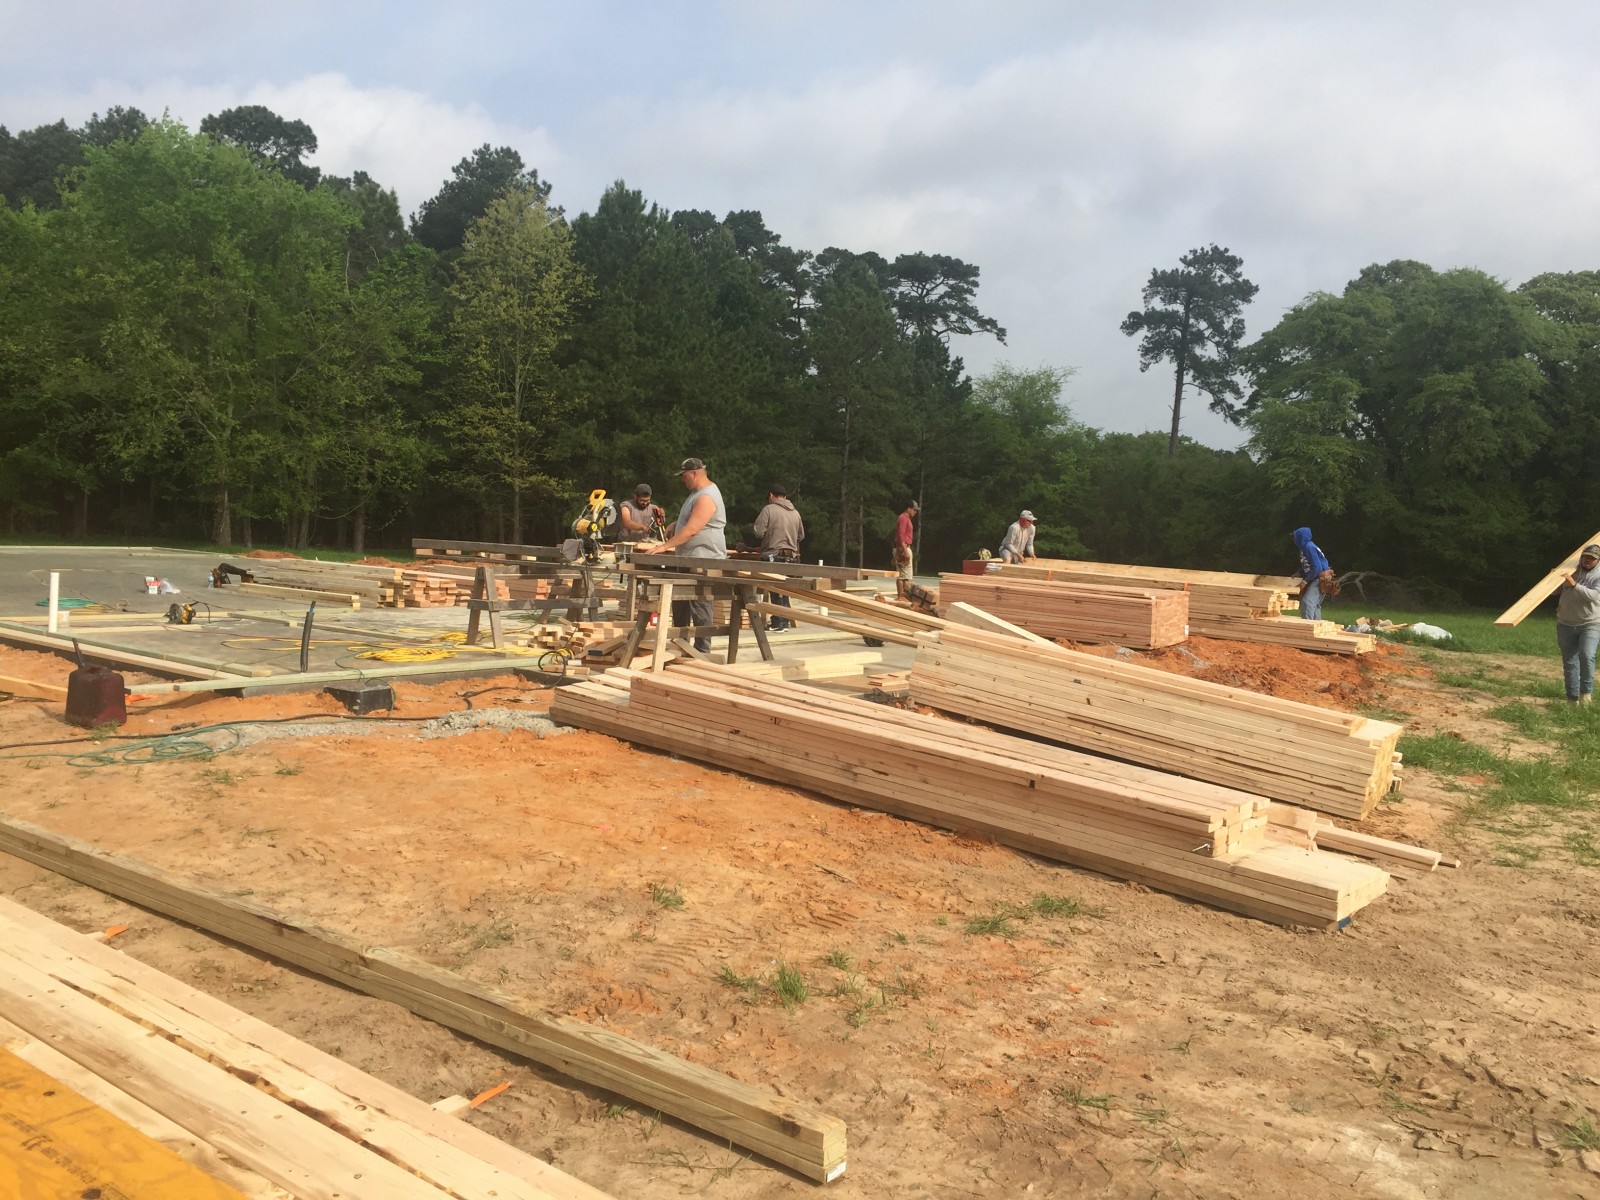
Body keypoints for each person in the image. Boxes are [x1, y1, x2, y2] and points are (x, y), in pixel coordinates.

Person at [637, 457, 727, 654]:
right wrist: (676, 524)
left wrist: (664, 547)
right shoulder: (697, 494)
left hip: (703, 559)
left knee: (700, 603)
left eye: (684, 476)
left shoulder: (706, 496)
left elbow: (693, 529)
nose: (682, 480)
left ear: (694, 474)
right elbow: (692, 520)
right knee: (681, 602)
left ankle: (702, 651)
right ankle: (681, 645)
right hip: (690, 558)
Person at [752, 484, 805, 630]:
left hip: (773, 555)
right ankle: (784, 620)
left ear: (771, 495)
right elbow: (801, 536)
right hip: (791, 557)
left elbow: (759, 532)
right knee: (784, 589)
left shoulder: (769, 509)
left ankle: (778, 622)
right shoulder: (796, 513)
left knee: (774, 588)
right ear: (785, 496)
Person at [1557, 543, 1600, 704]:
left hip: (1591, 623)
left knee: (1587, 656)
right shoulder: (1571, 571)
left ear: (1598, 560)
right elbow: (1556, 591)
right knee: (1569, 661)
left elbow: (1594, 596)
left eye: (1592, 558)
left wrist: (1574, 584)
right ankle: (1572, 697)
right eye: (1585, 557)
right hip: (1565, 622)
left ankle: (1586, 694)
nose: (1587, 561)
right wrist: (1553, 580)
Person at [1292, 526, 1334, 622]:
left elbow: (1317, 568)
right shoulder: (1304, 547)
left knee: (1307, 602)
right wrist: (1299, 572)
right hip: (1318, 576)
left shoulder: (1309, 547)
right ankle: (1316, 626)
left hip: (1320, 577)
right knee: (1314, 604)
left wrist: (1305, 581)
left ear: (1301, 538)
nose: (1294, 540)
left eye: (1296, 537)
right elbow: (1309, 565)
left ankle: (1308, 627)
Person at [893, 501, 919, 599]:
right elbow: (901, 535)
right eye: (914, 510)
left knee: (906, 576)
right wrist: (904, 550)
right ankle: (900, 597)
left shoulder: (906, 518)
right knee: (902, 575)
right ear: (908, 508)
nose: (915, 512)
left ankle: (904, 597)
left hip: (904, 547)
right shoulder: (903, 518)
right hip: (902, 547)